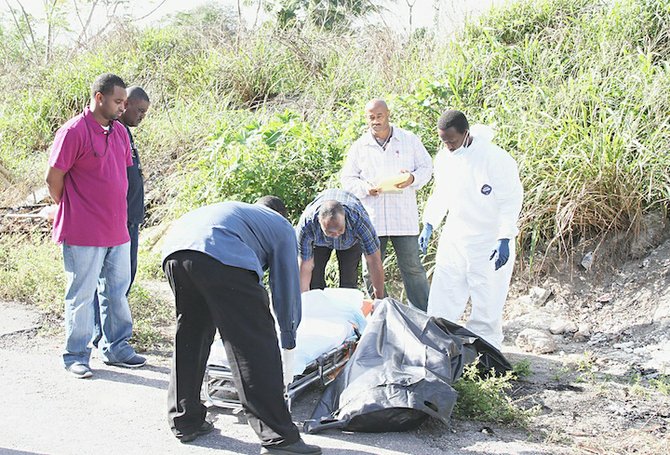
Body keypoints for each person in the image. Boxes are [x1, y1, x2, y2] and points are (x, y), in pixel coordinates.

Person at [161, 197, 321, 455]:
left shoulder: (239, 213)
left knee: (192, 334)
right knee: (253, 344)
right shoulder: (281, 226)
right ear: (283, 215)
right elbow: (285, 287)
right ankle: (279, 437)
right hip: (221, 255)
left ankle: (185, 419)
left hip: (175, 252)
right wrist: (288, 336)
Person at [45, 73, 146, 379]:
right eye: (117, 101)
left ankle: (116, 348)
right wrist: (75, 207)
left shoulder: (118, 132)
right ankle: (76, 355)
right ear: (99, 98)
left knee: (116, 292)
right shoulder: (73, 131)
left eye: (124, 102)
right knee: (81, 294)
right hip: (83, 230)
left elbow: (123, 175)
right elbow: (53, 179)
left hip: (118, 229)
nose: (122, 107)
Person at [419, 110, 523, 350]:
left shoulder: (495, 158)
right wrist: (430, 223)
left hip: (489, 238)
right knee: (444, 293)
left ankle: (486, 354)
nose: (448, 146)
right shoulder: (444, 158)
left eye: (452, 141)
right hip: (456, 235)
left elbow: (511, 200)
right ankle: (437, 347)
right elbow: (441, 194)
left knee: (487, 297)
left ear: (466, 133)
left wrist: (505, 237)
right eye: (443, 141)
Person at [341, 98, 432, 311]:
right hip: (373, 218)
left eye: (379, 116)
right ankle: (384, 312)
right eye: (371, 118)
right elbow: (347, 179)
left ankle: (422, 314)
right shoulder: (360, 146)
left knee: (412, 267)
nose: (375, 121)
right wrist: (365, 188)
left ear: (388, 114)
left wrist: (411, 178)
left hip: (403, 216)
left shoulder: (408, 140)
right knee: (370, 270)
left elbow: (427, 167)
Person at [92, 86, 150, 348]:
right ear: (124, 105)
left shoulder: (125, 135)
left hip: (129, 220)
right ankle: (102, 335)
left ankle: (110, 335)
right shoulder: (114, 133)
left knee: (122, 282)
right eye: (139, 110)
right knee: (110, 283)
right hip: (118, 221)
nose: (141, 116)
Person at [296, 188, 384, 299]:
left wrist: (379, 299)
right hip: (319, 244)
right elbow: (305, 265)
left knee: (348, 283)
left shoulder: (359, 220)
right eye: (330, 231)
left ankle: (346, 313)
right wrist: (303, 300)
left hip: (350, 243)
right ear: (319, 221)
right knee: (315, 282)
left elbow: (374, 260)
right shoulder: (307, 225)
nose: (336, 235)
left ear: (345, 218)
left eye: (339, 230)